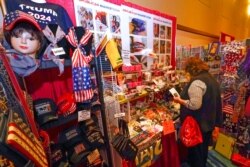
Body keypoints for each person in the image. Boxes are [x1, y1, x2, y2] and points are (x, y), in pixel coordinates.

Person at [173, 56, 223, 167]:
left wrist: (180, 101)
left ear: (191, 69)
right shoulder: (211, 78)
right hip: (208, 122)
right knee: (203, 150)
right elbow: (216, 102)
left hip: (198, 125)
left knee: (196, 153)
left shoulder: (197, 82)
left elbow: (194, 105)